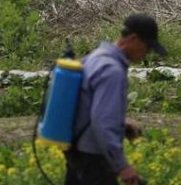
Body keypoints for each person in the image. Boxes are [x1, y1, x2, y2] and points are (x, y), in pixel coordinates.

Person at [65, 14, 166, 185]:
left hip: (76, 152)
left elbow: (87, 105)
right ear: (134, 39)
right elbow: (102, 122)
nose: (146, 53)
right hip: (94, 158)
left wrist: (122, 124)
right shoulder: (112, 71)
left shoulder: (94, 58)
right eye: (147, 47)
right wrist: (121, 166)